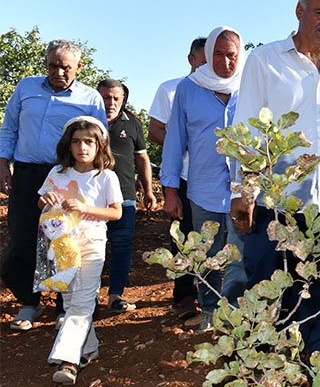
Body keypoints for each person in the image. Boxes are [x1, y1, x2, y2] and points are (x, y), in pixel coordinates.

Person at [230, 0, 320, 365]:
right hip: (280, 201)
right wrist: (244, 191)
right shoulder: (264, 61)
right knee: (272, 282)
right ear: (300, 11)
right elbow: (248, 132)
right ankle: (268, 359)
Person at [0, 40, 106, 331]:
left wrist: (90, 180)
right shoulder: (26, 88)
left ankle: (64, 305)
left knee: (63, 241)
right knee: (22, 238)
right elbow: (9, 128)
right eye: (53, 65)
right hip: (26, 174)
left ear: (79, 67)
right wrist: (2, 165)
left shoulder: (90, 98)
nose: (58, 72)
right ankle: (29, 302)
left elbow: (99, 140)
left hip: (66, 177)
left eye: (65, 67)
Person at [161, 26, 244, 333]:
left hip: (243, 190)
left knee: (239, 254)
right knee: (207, 254)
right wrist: (171, 191)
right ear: (208, 55)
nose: (225, 62)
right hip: (203, 188)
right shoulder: (189, 88)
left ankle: (234, 314)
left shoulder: (250, 85)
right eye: (218, 54)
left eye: (231, 55)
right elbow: (174, 142)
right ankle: (209, 310)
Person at [38, 116, 123, 384]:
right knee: (69, 298)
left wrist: (85, 208)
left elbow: (116, 213)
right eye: (76, 142)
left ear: (100, 145)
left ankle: (68, 360)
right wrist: (45, 201)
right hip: (62, 245)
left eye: (88, 142)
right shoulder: (57, 174)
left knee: (84, 300)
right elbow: (43, 204)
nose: (82, 147)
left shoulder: (106, 177)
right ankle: (89, 347)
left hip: (92, 241)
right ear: (68, 144)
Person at [148, 37, 206, 320]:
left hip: (215, 177)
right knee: (184, 235)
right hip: (183, 176)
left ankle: (214, 295)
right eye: (205, 59)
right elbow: (155, 130)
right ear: (191, 59)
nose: (212, 64)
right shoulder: (171, 90)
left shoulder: (230, 90)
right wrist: (182, 143)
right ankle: (184, 295)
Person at [97, 80, 157, 312]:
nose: (110, 102)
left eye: (115, 98)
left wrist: (148, 190)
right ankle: (87, 297)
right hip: (92, 197)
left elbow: (142, 159)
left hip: (124, 196)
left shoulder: (132, 124)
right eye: (105, 97)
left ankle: (115, 296)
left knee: (121, 244)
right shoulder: (87, 122)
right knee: (91, 246)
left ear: (123, 99)